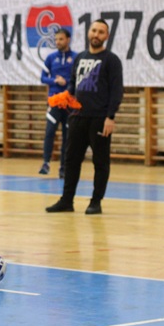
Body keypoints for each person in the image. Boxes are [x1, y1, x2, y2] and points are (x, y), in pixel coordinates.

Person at [46, 19, 124, 215]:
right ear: (89, 32)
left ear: (106, 36)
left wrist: (110, 117)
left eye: (101, 32)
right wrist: (65, 98)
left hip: (99, 118)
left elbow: (116, 91)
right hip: (77, 117)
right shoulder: (80, 57)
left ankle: (96, 202)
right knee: (71, 160)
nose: (96, 35)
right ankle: (66, 200)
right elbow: (73, 85)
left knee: (100, 161)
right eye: (94, 30)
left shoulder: (111, 60)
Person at [39, 29, 77, 179]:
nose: (58, 42)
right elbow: (43, 78)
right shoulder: (50, 58)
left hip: (69, 103)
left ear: (68, 39)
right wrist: (55, 81)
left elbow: (78, 79)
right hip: (54, 102)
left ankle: (64, 167)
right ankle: (46, 163)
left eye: (61, 39)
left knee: (68, 137)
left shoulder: (75, 58)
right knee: (49, 132)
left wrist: (66, 82)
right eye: (56, 39)